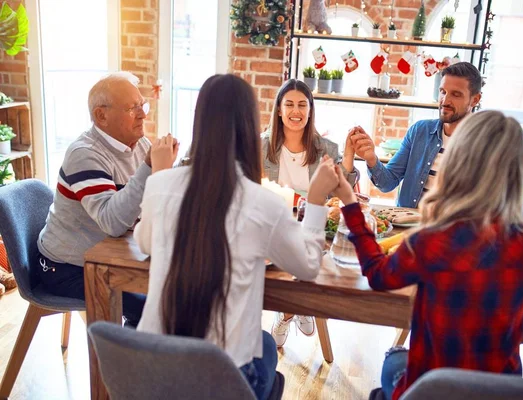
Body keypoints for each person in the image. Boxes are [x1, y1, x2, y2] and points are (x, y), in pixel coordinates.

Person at [333, 110, 523, 400]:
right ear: (518, 172)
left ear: (457, 163)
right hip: (498, 393)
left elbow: (377, 274)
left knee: (395, 359)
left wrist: (350, 205)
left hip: (431, 389)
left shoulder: (432, 239)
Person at [134, 74, 339, 400]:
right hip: (222, 379)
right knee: (267, 347)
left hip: (154, 369)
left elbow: (145, 244)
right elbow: (308, 267)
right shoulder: (264, 203)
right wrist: (315, 202)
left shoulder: (161, 184)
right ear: (250, 125)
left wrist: (160, 174)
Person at [37, 72, 178, 326]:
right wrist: (149, 168)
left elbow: (149, 203)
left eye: (141, 105)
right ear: (101, 116)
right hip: (67, 268)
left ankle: (142, 356)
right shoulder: (85, 154)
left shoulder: (140, 145)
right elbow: (112, 223)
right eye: (131, 108)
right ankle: (131, 362)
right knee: (155, 305)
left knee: (175, 289)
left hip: (110, 256)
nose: (143, 114)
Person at [348, 62, 523, 208]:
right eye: (443, 91)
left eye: (456, 94)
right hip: (409, 226)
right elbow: (387, 183)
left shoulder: (487, 137)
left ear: (475, 99)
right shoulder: (420, 131)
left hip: (456, 234)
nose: (445, 100)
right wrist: (371, 159)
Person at [262, 78, 358, 347]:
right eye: (289, 104)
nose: (296, 111)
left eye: (302, 105)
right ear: (279, 110)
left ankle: (288, 312)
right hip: (274, 229)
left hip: (315, 228)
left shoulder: (326, 148)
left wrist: (348, 157)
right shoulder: (260, 147)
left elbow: (343, 192)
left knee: (312, 258)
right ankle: (299, 307)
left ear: (310, 110)